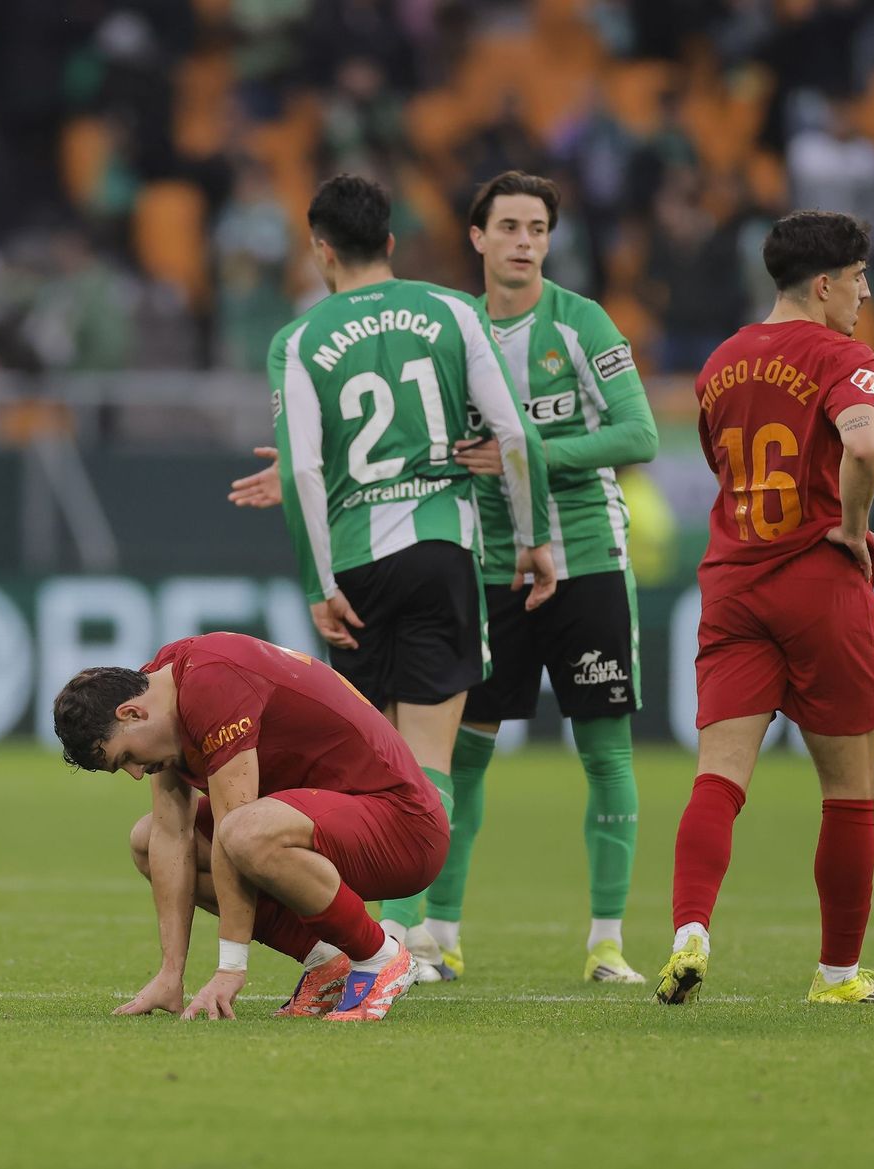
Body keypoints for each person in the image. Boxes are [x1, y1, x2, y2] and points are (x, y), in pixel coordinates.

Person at [231, 171, 660, 983]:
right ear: (475, 237)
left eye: (538, 227)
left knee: (600, 750)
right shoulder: (450, 320)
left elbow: (638, 433)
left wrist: (526, 456)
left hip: (586, 556)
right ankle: (430, 934)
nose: (524, 241)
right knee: (453, 757)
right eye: (509, 226)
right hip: (479, 562)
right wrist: (291, 474)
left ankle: (605, 940)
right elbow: (422, 442)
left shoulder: (579, 323)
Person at [268, 173, 556, 976]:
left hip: (355, 564)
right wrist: (531, 540)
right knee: (429, 757)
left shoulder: (296, 340)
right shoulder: (454, 311)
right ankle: (410, 937)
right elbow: (515, 437)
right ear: (391, 243)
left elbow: (302, 476)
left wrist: (319, 583)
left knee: (369, 761)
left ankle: (364, 939)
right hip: (440, 549)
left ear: (320, 249)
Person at [653, 210, 874, 1005]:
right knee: (849, 785)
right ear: (825, 283)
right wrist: (853, 527)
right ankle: (837, 975)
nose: (865, 294)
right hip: (814, 579)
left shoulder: (719, 363)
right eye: (860, 278)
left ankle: (689, 928)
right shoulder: (840, 354)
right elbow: (863, 443)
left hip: (733, 581)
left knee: (719, 778)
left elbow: (720, 466)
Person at [53, 632, 451, 1021]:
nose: (137, 774)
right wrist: (170, 975)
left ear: (132, 713)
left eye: (126, 758)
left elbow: (235, 833)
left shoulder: (211, 684)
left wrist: (230, 968)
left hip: (405, 829)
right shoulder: (160, 689)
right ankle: (328, 962)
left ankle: (380, 956)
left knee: (244, 831)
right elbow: (170, 834)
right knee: (146, 841)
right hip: (334, 822)